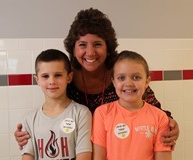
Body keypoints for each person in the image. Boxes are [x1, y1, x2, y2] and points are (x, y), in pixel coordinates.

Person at [14, 8, 179, 150]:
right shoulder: (64, 79)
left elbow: (155, 111)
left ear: (108, 48)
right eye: (82, 44)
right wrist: (29, 133)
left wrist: (171, 125)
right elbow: (50, 116)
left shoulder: (121, 77)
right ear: (73, 48)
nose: (90, 52)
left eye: (98, 44)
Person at [92, 50, 172, 160]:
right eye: (121, 78)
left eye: (136, 77)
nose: (128, 83)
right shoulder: (102, 113)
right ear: (114, 82)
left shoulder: (160, 117)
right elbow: (99, 157)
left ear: (147, 81)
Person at [21, 49, 92, 160]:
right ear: (37, 80)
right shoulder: (29, 118)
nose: (52, 81)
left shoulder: (81, 113)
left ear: (69, 77)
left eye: (58, 75)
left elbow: (84, 155)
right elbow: (27, 155)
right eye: (45, 76)